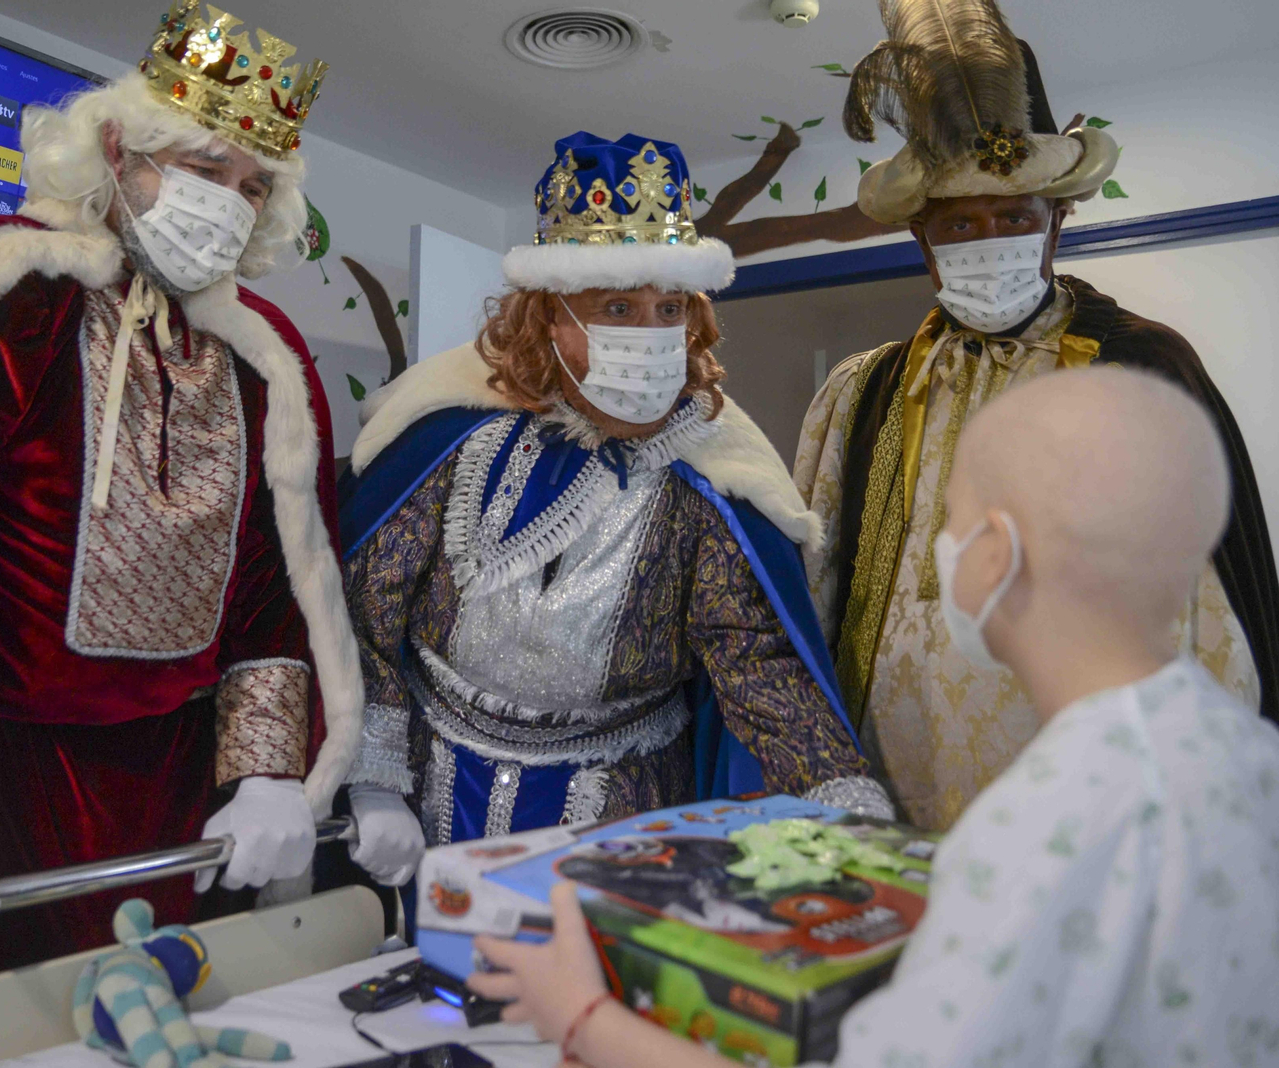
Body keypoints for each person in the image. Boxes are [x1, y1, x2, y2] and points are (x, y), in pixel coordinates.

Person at [0, 3, 371, 1055]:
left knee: (158, 1027)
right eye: (199, 165)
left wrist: (268, 768)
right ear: (116, 147)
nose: (223, 203)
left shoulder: (265, 353)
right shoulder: (3, 287)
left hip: (180, 794)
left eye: (250, 185)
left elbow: (276, 585)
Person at [470, 368, 1279, 1068]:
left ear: (995, 553)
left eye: (953, 522)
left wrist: (581, 1016)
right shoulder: (1252, 751)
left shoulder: (1056, 818)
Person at [794, 0, 1279, 831]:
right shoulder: (867, 391)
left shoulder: (1138, 369)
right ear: (923, 242)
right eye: (960, 223)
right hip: (893, 780)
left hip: (1089, 788)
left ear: (1055, 225)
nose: (986, 238)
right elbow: (813, 592)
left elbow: (1207, 605)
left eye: (1013, 218)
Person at [338, 131, 890, 871]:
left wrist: (843, 801)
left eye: (670, 309)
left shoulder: (708, 479)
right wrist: (374, 781)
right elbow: (368, 609)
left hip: (624, 814)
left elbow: (759, 662)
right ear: (550, 318)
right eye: (619, 307)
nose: (652, 334)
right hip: (436, 792)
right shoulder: (450, 438)